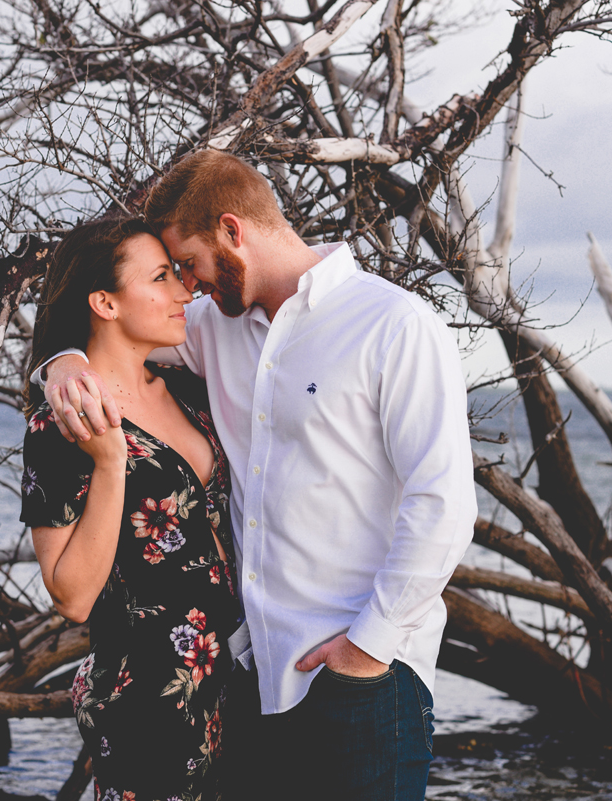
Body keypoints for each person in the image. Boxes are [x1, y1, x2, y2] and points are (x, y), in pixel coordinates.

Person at [41, 151, 476, 800]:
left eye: (189, 264)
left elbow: (442, 506)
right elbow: (114, 336)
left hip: (364, 680)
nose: (187, 287)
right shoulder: (217, 327)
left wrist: (366, 651)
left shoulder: (394, 326)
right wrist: (61, 361)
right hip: (254, 683)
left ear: (232, 231)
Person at [20, 217, 240, 801]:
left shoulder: (188, 389)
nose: (182, 292)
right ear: (104, 303)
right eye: (161, 277)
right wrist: (110, 465)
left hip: (232, 677)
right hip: (146, 696)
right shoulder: (62, 424)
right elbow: (71, 596)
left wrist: (57, 359)